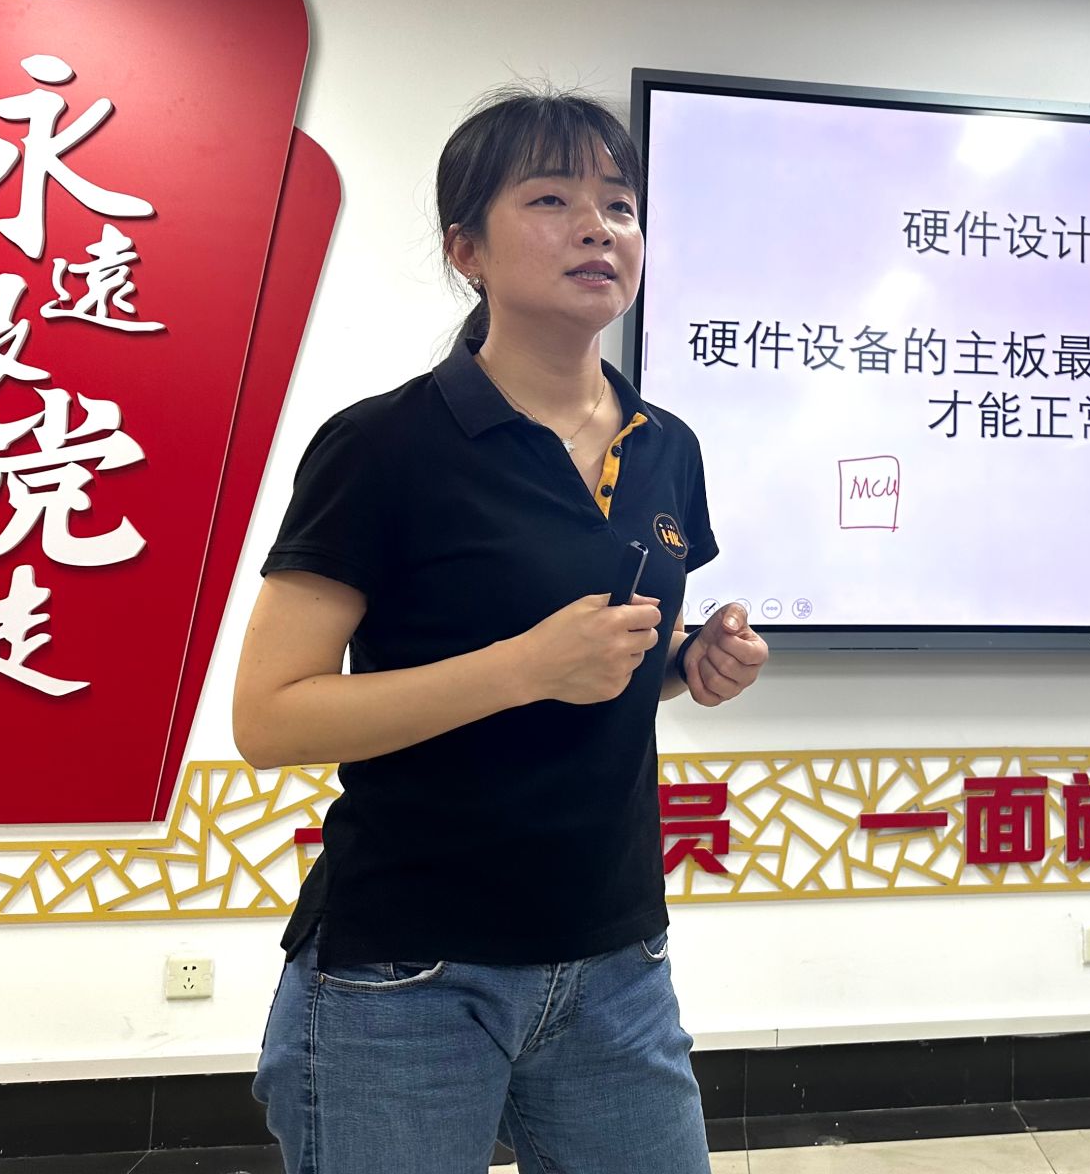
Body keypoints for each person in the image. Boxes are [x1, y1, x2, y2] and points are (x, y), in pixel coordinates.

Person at [235, 87, 766, 1173]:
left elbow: (612, 658)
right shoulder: (383, 446)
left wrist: (686, 662)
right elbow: (271, 718)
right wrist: (521, 668)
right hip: (406, 974)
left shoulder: (665, 445)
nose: (597, 227)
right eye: (551, 199)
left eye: (620, 205)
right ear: (465, 250)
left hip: (617, 960)